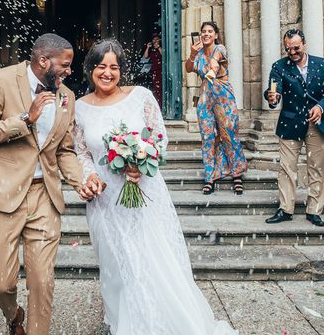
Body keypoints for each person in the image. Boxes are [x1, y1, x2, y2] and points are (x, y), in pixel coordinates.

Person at [74, 39, 237, 335]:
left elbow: (159, 138)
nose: (107, 73)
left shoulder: (141, 96)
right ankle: (128, 323)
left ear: (122, 70)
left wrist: (140, 160)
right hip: (104, 199)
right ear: (90, 69)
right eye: (100, 66)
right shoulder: (80, 108)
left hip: (144, 192)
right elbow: (82, 152)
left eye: (113, 67)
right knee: (117, 267)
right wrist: (89, 176)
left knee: (153, 261)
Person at [0, 33, 106, 335]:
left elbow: (64, 150)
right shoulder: (0, 80)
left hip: (45, 196)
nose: (70, 70)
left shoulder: (66, 96)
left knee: (42, 281)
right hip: (3, 193)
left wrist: (82, 179)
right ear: (44, 61)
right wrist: (25, 120)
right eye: (65, 65)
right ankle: (13, 315)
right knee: (2, 282)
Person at [264, 28, 324, 227]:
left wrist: (321, 107)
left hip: (318, 123)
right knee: (287, 168)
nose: (292, 52)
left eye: (296, 48)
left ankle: (314, 210)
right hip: (290, 122)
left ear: (304, 44)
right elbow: (273, 90)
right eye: (288, 49)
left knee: (318, 168)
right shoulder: (279, 66)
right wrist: (272, 97)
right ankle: (286, 209)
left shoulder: (323, 65)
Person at [185, 21, 247, 195]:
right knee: (208, 136)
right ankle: (210, 176)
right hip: (205, 97)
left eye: (210, 31)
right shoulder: (197, 53)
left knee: (229, 133)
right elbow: (189, 69)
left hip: (223, 96)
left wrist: (212, 66)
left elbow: (214, 63)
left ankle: (237, 174)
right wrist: (191, 53)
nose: (206, 34)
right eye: (203, 31)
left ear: (216, 35)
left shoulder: (220, 49)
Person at [143, 33, 162, 107]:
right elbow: (146, 56)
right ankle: (157, 105)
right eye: (154, 39)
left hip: (161, 70)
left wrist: (158, 47)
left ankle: (161, 104)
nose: (155, 41)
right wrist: (148, 47)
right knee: (155, 88)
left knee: (160, 88)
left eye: (157, 39)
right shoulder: (151, 49)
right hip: (154, 70)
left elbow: (164, 55)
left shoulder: (161, 47)